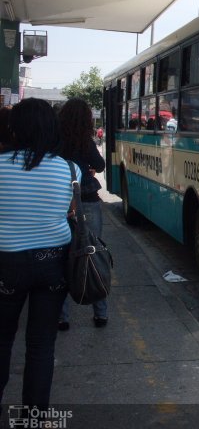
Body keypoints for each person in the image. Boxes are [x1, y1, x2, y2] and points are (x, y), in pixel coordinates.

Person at [0, 98, 80, 408]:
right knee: (41, 345)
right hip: (53, 264)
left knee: (3, 339)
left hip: (6, 263)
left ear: (15, 129)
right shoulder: (68, 169)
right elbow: (71, 213)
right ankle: (33, 416)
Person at [57, 98, 108, 330]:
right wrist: (89, 168)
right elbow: (100, 165)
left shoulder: (55, 141)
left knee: (63, 258)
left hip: (62, 203)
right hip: (87, 200)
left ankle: (62, 317)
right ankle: (100, 313)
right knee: (92, 251)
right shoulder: (86, 142)